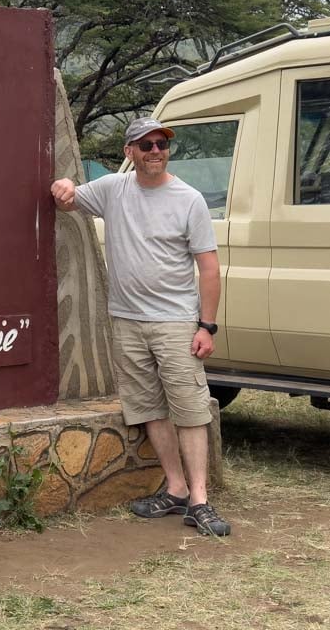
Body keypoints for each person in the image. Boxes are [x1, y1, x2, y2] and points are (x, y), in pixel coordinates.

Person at [50, 117, 231, 537]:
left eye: (161, 144)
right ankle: (176, 488)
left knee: (189, 408)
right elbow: (70, 199)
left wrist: (207, 326)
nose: (155, 151)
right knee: (149, 407)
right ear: (129, 152)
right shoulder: (114, 189)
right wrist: (61, 185)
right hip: (127, 321)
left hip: (174, 322)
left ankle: (200, 501)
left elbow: (208, 268)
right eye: (145, 145)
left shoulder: (189, 199)